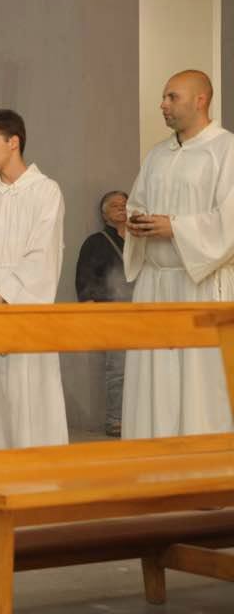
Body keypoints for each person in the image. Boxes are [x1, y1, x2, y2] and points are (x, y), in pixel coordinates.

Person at [123, 70, 234, 439]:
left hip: (199, 283)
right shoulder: (158, 154)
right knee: (154, 379)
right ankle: (152, 458)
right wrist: (136, 221)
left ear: (200, 100)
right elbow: (137, 202)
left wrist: (175, 228)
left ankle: (203, 463)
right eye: (164, 97)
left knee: (200, 383)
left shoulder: (226, 150)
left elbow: (229, 221)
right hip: (155, 284)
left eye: (172, 97)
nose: (163, 105)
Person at [0, 109, 68, 450]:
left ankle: (40, 469)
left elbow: (43, 253)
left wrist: (3, 295)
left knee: (31, 396)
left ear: (14, 142)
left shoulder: (46, 191)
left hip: (26, 307)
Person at [75, 190, 134, 437]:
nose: (121, 207)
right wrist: (90, 310)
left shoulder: (139, 240)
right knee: (118, 368)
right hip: (112, 313)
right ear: (104, 214)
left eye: (125, 203)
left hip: (142, 312)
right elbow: (85, 277)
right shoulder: (95, 242)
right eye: (115, 205)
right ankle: (115, 420)